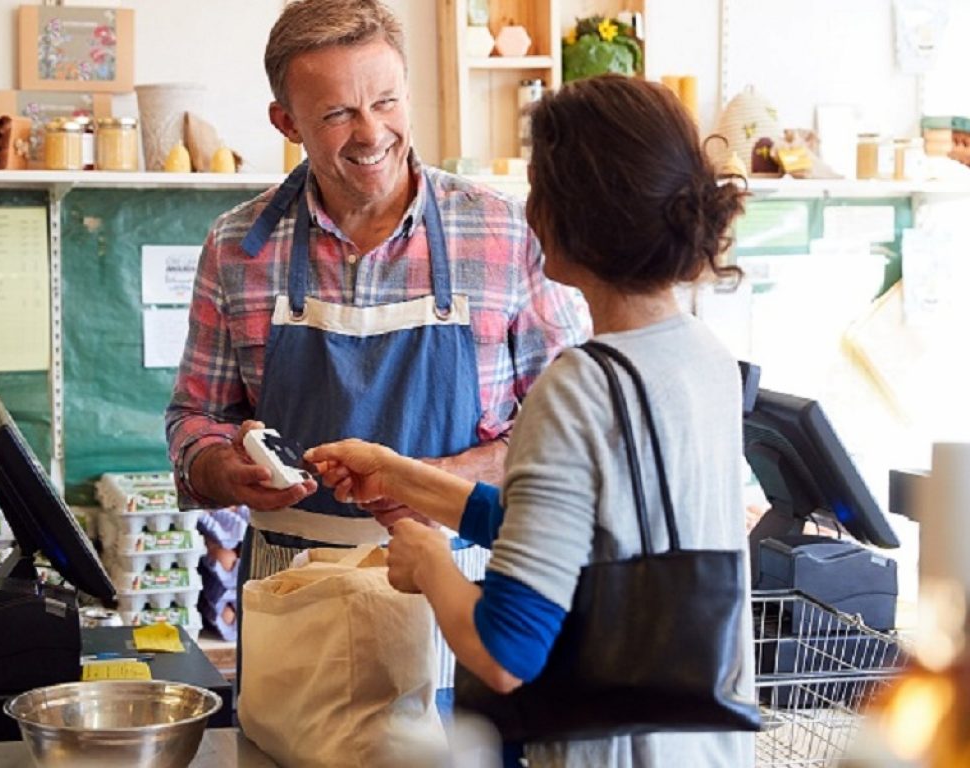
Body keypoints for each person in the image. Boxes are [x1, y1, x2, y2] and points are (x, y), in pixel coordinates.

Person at [306, 74, 755, 767]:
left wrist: (428, 563)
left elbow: (504, 653)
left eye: (538, 185)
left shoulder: (579, 386)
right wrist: (400, 476)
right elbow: (586, 540)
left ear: (567, 213)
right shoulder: (704, 356)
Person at [164, 0, 586, 692]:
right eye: (337, 114)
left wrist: (428, 483)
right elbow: (195, 416)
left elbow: (567, 435)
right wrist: (218, 467)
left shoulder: (505, 233)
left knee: (457, 744)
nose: (371, 133)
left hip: (461, 595)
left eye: (386, 102)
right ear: (286, 123)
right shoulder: (238, 247)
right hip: (293, 599)